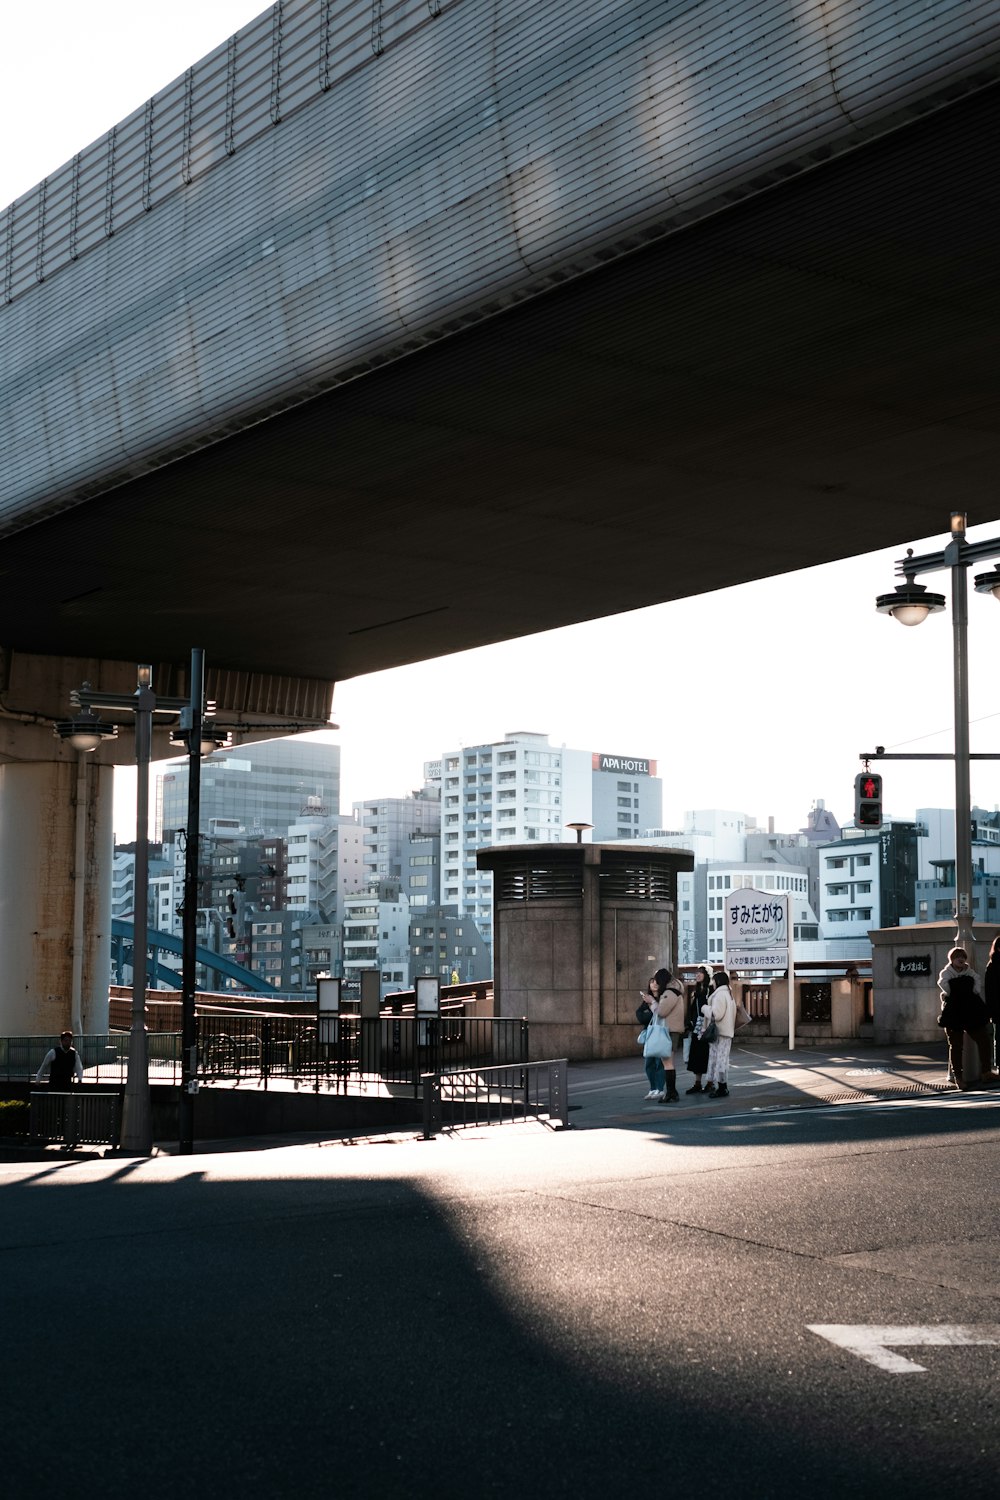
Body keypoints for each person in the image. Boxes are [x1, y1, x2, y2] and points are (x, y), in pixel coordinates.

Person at [936, 947, 994, 1090]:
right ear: (952, 959)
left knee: (983, 1040)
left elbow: (973, 987)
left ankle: (986, 1072)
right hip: (954, 1014)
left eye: (963, 957)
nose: (961, 959)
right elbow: (946, 987)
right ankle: (959, 1078)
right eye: (957, 957)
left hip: (970, 1013)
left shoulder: (970, 972)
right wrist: (964, 985)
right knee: (956, 1046)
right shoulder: (946, 973)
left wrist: (958, 986)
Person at [640, 968, 684, 1102]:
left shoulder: (669, 993)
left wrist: (652, 1002)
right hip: (671, 1030)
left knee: (668, 1063)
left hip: (669, 1031)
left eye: (656, 979)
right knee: (668, 1063)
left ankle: (671, 1093)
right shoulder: (674, 992)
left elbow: (661, 1012)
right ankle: (672, 1092)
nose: (655, 982)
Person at [701, 970, 736, 1098]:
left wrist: (704, 1008)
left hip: (719, 1032)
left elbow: (716, 1014)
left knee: (718, 1060)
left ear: (718, 981)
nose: (712, 983)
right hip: (727, 1032)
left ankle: (721, 1088)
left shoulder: (720, 995)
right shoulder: (729, 993)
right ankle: (723, 1086)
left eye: (714, 981)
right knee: (722, 1059)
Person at [684, 965, 712, 1094]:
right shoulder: (697, 990)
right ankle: (697, 1082)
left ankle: (710, 1082)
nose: (698, 975)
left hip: (706, 1027)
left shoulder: (709, 990)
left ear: (707, 975)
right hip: (696, 1026)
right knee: (696, 1054)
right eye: (697, 973)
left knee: (707, 1054)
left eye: (701, 973)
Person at [983, 936, 1000, 1071]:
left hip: (996, 1008)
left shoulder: (992, 965)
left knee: (998, 1038)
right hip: (997, 1008)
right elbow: (990, 990)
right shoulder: (993, 965)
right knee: (999, 1037)